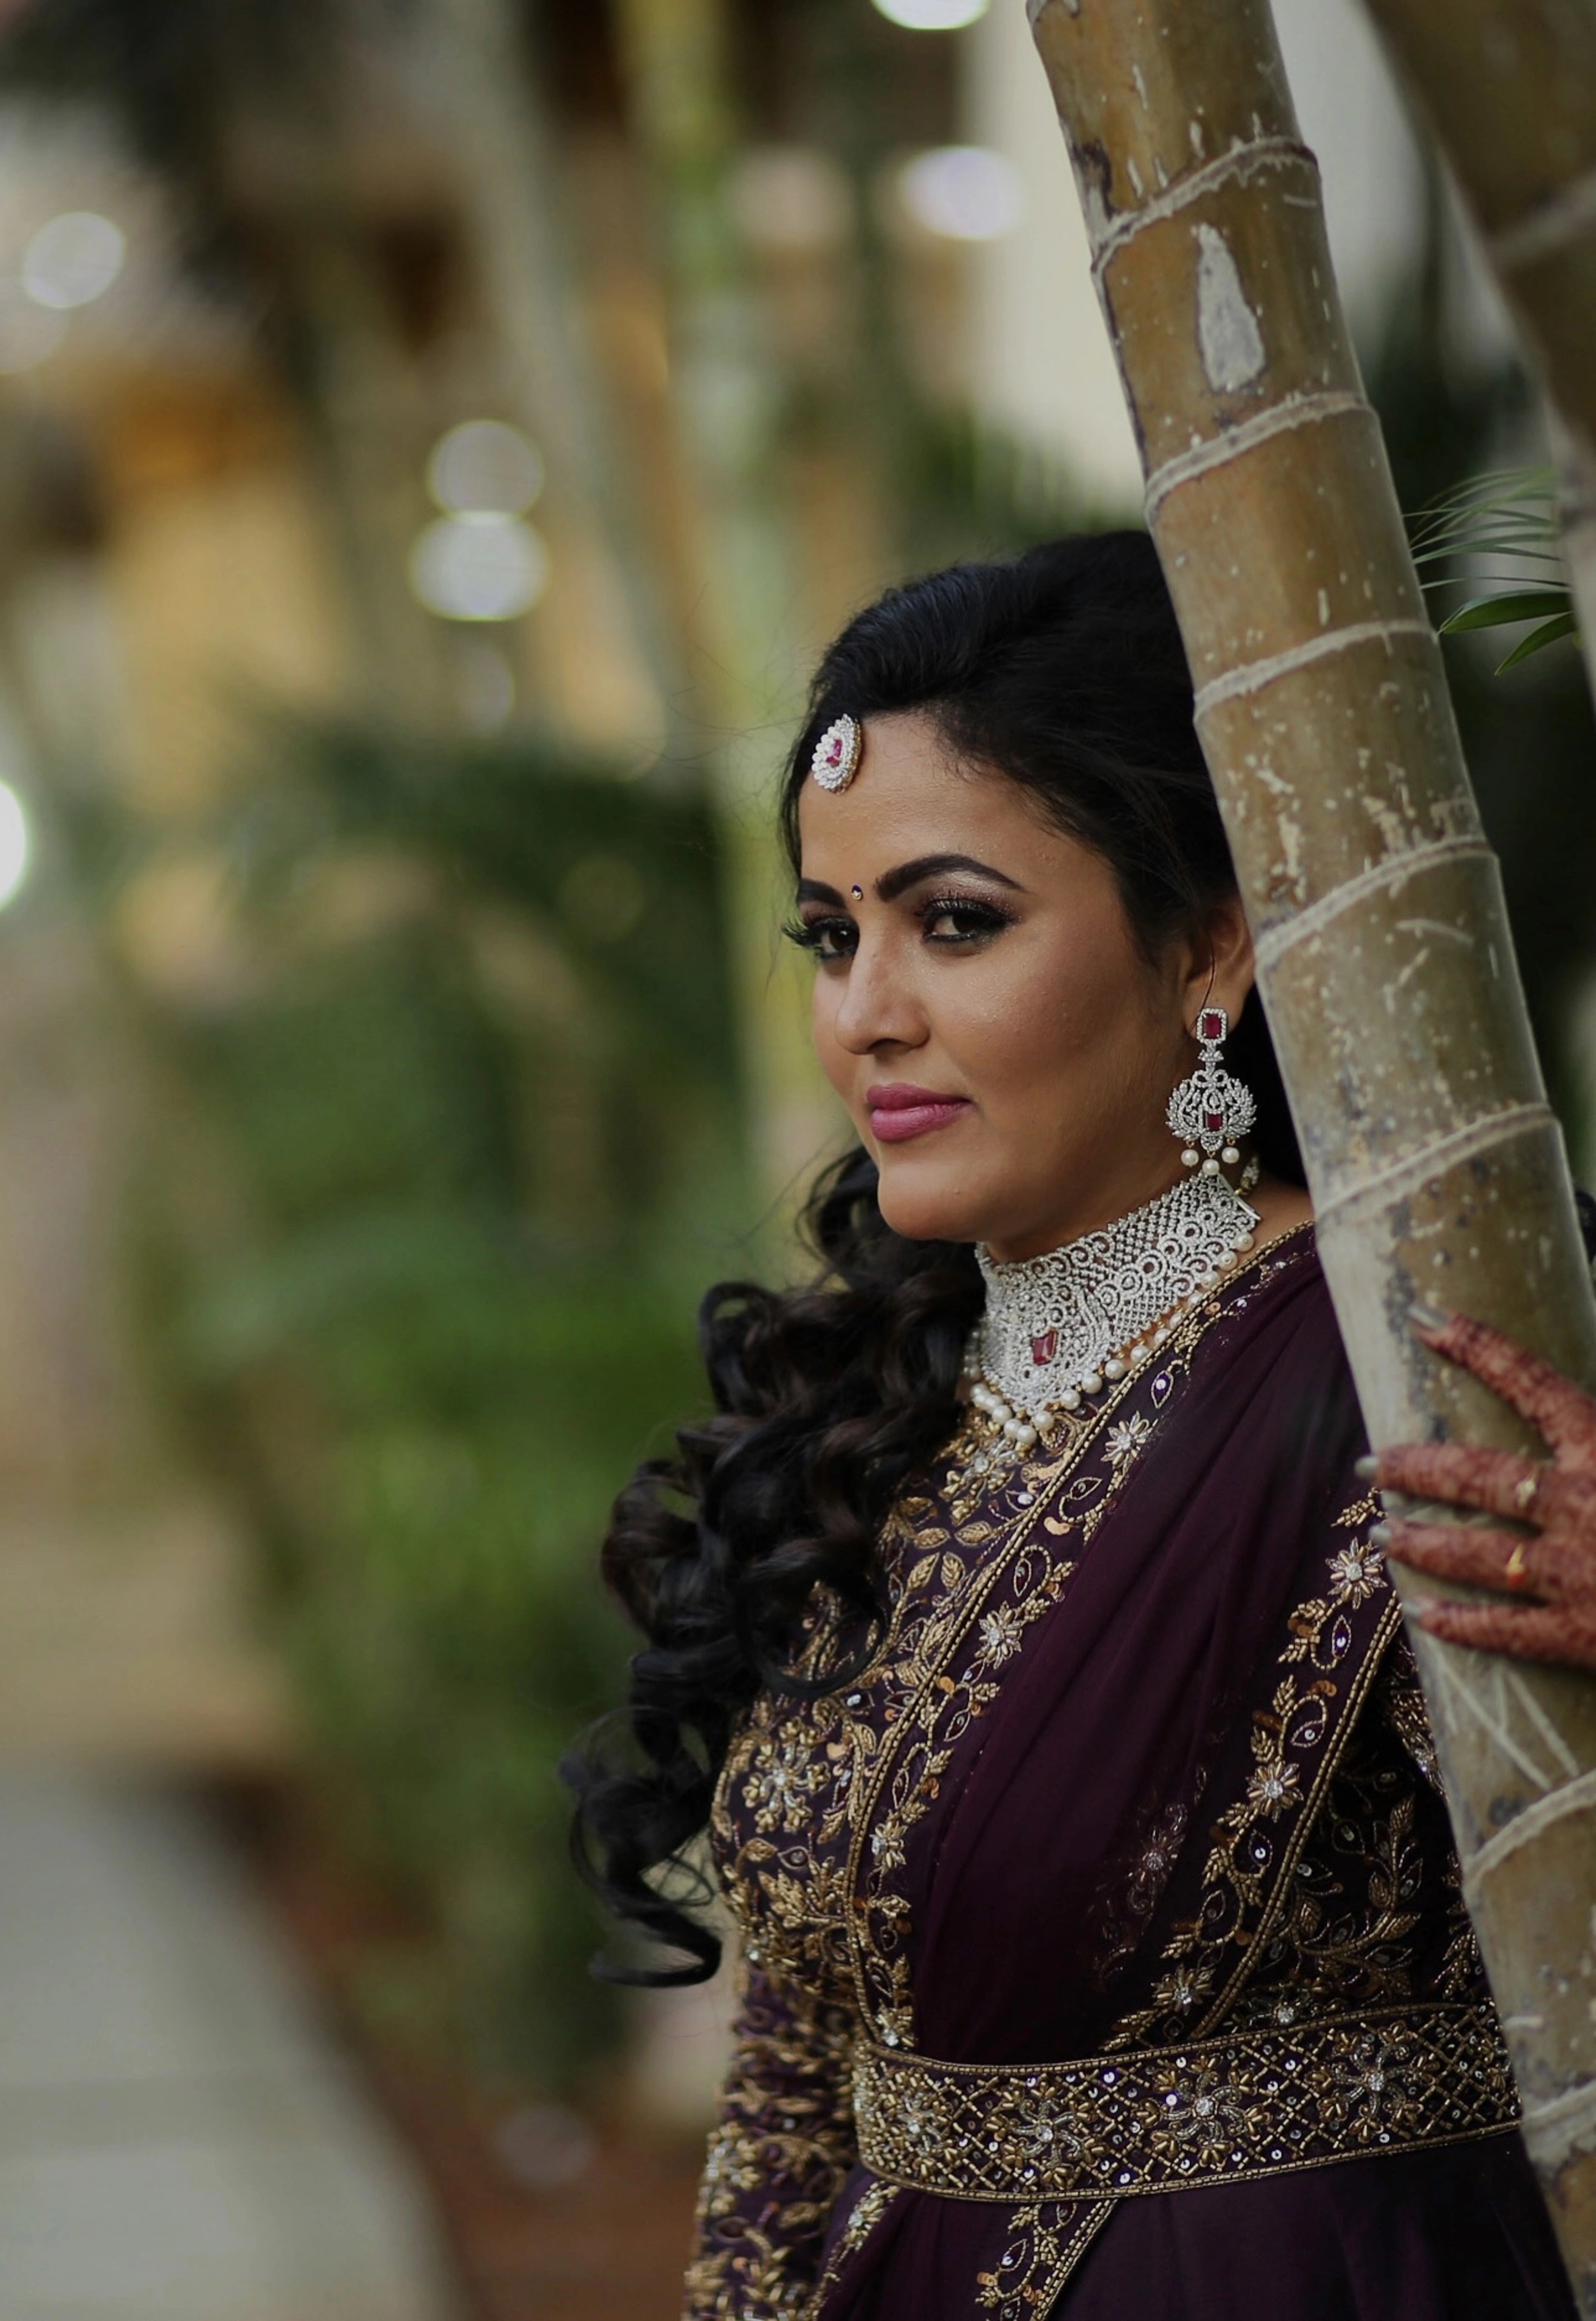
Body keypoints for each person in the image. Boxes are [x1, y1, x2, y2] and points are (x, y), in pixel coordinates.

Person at [567, 533, 1591, 2320]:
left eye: (953, 921)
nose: (862, 1014)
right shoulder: (874, 1409)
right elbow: (801, 2076)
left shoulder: (1409, 1372)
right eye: (833, 933)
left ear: (1209, 950)